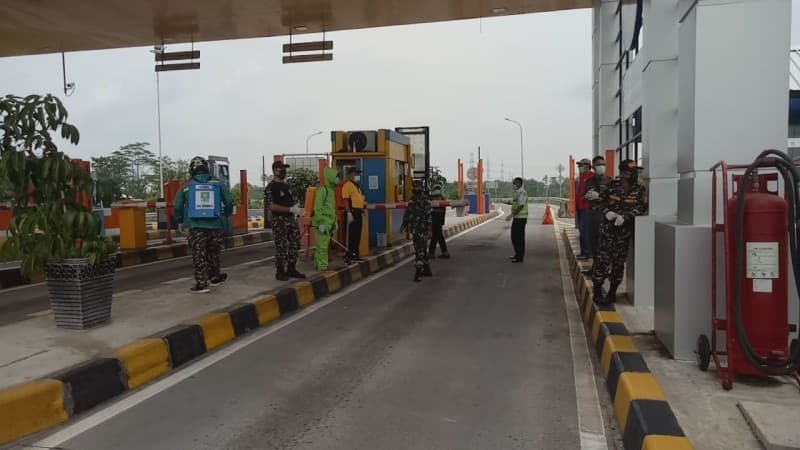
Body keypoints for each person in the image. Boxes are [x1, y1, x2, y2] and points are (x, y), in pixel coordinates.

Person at [174, 157, 234, 293]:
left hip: (196, 227)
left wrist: (179, 221)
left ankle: (202, 283)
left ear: (191, 170)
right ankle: (215, 277)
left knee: (199, 255)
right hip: (215, 225)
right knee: (214, 252)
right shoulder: (217, 183)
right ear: (206, 168)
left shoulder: (186, 185)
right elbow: (229, 201)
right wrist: (227, 213)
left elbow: (177, 205)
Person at [592, 159, 647, 305]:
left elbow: (642, 207)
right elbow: (597, 203)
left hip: (623, 234)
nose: (634, 174)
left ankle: (611, 293)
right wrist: (607, 212)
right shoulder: (611, 187)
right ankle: (597, 291)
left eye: (635, 172)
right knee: (602, 262)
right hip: (607, 232)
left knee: (618, 264)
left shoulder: (639, 190)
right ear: (623, 173)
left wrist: (626, 217)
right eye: (631, 172)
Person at [265, 160, 306, 281]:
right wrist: (290, 209)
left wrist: (297, 209)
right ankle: (280, 271)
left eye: (285, 169)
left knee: (295, 242)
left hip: (290, 220)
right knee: (281, 246)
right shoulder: (271, 187)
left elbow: (291, 202)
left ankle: (291, 268)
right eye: (281, 169)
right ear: (274, 171)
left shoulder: (286, 186)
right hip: (279, 221)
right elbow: (271, 206)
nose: (284, 171)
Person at [583, 155, 613, 275]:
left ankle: (606, 269)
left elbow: (613, 200)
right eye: (599, 165)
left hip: (605, 216)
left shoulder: (610, 182)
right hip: (592, 216)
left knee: (605, 245)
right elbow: (584, 197)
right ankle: (595, 268)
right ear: (594, 167)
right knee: (593, 243)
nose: (601, 167)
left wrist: (599, 197)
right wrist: (587, 197)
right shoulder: (589, 181)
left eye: (603, 164)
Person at [402, 180, 433, 281]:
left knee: (419, 250)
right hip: (421, 229)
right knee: (422, 248)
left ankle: (418, 273)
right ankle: (427, 269)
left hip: (419, 229)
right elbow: (428, 217)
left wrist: (404, 225)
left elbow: (408, 214)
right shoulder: (425, 200)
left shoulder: (414, 200)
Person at [312, 167, 339, 271]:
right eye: (336, 177)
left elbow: (331, 209)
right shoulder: (323, 190)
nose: (337, 179)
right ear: (330, 177)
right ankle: (323, 267)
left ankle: (317, 265)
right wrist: (320, 223)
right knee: (322, 247)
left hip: (328, 223)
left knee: (321, 245)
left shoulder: (331, 191)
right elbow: (317, 208)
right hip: (322, 223)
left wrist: (335, 221)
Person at [341, 166, 366, 263]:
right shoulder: (347, 185)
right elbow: (346, 200)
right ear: (351, 174)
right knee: (352, 235)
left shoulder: (356, 186)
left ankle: (355, 254)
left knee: (357, 235)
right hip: (352, 212)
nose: (358, 175)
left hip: (358, 212)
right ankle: (350, 256)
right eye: (356, 174)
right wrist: (348, 213)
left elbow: (357, 199)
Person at [506, 177, 528, 263]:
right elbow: (516, 202)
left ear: (519, 183)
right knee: (514, 237)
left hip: (521, 219)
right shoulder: (518, 192)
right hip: (517, 218)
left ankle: (519, 257)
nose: (514, 185)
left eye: (515, 183)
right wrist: (508, 202)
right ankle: (517, 254)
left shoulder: (522, 192)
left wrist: (511, 215)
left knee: (519, 238)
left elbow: (521, 205)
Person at [575, 158, 594, 259]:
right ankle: (583, 252)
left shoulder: (591, 177)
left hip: (587, 208)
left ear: (587, 165)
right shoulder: (580, 178)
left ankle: (587, 253)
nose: (579, 167)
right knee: (581, 231)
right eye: (579, 166)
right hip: (580, 208)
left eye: (581, 165)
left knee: (585, 230)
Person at [428, 184, 450, 259]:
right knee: (437, 236)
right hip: (438, 220)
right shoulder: (441, 198)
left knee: (436, 236)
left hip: (435, 220)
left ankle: (432, 253)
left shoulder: (432, 198)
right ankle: (442, 252)